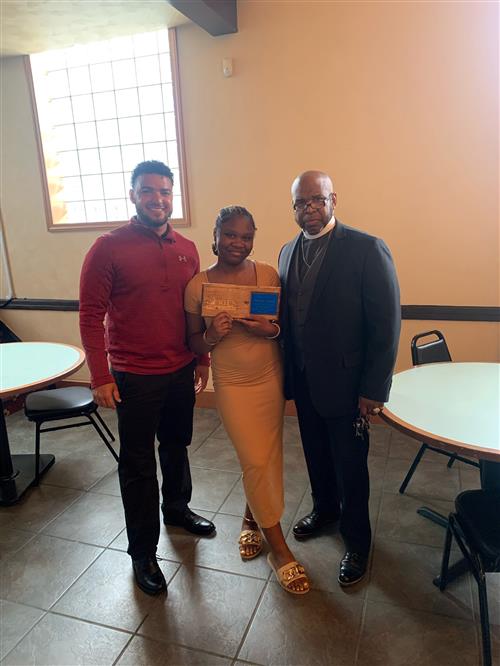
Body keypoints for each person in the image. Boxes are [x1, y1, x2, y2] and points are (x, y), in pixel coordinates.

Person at [79, 160, 215, 596]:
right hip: (133, 376)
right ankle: (142, 551)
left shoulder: (188, 249)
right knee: (137, 464)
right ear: (134, 195)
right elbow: (89, 316)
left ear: (173, 196)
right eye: (148, 191)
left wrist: (202, 359)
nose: (158, 199)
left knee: (176, 445)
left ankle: (177, 508)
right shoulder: (107, 247)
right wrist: (100, 375)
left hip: (179, 369)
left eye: (165, 192)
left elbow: (194, 311)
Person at [279, 170, 401, 587]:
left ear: (334, 199)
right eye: (300, 203)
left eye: (316, 199)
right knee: (315, 454)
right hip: (304, 381)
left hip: (349, 388)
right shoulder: (285, 251)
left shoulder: (367, 249)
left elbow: (385, 327)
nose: (308, 208)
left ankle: (357, 540)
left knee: (352, 466)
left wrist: (373, 389)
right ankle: (325, 509)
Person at [184, 205, 310, 595]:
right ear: (216, 236)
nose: (238, 243)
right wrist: (211, 336)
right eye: (230, 235)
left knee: (267, 454)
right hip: (233, 382)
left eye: (246, 236)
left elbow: (279, 327)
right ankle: (280, 551)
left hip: (269, 376)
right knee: (254, 457)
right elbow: (192, 342)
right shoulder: (198, 285)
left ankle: (251, 520)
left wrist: (267, 330)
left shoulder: (267, 274)